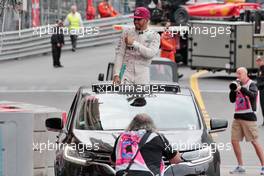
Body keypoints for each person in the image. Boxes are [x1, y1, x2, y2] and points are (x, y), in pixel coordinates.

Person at [111, 113, 182, 176]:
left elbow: (114, 161)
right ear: (152, 124)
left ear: (132, 124)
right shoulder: (158, 137)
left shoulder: (121, 137)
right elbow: (175, 160)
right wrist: (178, 154)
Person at [229, 67, 264, 175]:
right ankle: (240, 166)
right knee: (234, 141)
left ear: (245, 74)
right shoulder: (237, 84)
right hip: (237, 117)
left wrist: (241, 89)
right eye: (237, 74)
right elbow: (232, 100)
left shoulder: (251, 84)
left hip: (249, 117)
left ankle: (263, 166)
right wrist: (233, 90)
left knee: (254, 141)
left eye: (239, 74)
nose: (238, 76)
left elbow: (253, 95)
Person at [113, 7, 160, 84]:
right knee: (123, 95)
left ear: (146, 20)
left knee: (141, 96)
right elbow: (119, 54)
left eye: (139, 19)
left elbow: (150, 54)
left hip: (142, 73)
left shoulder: (154, 35)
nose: (136, 22)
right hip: (126, 72)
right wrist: (116, 74)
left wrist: (134, 43)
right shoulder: (126, 32)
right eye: (135, 19)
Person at [256, 55, 264, 126]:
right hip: (261, 91)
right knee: (262, 106)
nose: (258, 62)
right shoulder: (260, 69)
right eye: (257, 61)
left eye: (259, 60)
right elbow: (259, 80)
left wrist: (258, 85)